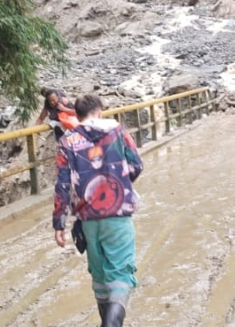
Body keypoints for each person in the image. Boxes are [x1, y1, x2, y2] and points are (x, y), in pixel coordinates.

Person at [53, 94, 143, 327]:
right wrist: (118, 181)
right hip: (117, 214)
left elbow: (63, 184)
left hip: (88, 218)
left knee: (101, 279)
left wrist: (59, 224)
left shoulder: (68, 141)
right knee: (120, 276)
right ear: (99, 112)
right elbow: (136, 165)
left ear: (77, 116)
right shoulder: (118, 132)